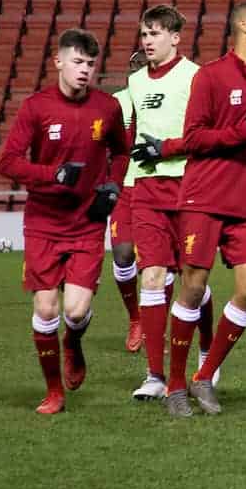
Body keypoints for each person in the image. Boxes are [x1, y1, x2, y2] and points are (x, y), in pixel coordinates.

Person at [0, 29, 129, 414]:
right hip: (43, 222)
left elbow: (121, 152)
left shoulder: (107, 107)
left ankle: (73, 342)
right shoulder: (36, 108)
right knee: (46, 309)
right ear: (58, 62)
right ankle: (54, 391)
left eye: (90, 63)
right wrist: (50, 175)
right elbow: (8, 162)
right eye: (77, 62)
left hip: (87, 221)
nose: (84, 70)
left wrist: (113, 186)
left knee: (74, 311)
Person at [164, 2, 246, 418]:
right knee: (194, 288)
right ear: (243, 25)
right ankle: (175, 385)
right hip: (204, 197)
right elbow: (193, 138)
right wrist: (243, 133)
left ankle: (205, 376)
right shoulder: (211, 76)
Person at [125, 6, 218, 401]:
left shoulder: (197, 77)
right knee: (151, 278)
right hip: (145, 189)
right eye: (145, 33)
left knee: (192, 283)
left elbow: (207, 133)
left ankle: (207, 354)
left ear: (176, 37)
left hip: (188, 187)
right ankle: (154, 375)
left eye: (156, 33)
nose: (148, 40)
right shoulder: (134, 82)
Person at [109, 50, 148, 353]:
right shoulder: (116, 103)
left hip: (158, 183)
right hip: (124, 186)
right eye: (133, 65)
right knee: (123, 255)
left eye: (143, 65)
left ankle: (153, 325)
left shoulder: (167, 95)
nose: (137, 70)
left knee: (158, 263)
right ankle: (135, 319)